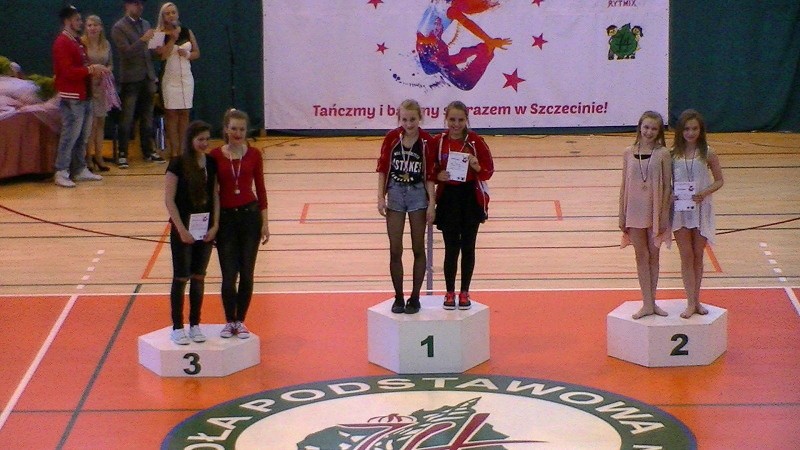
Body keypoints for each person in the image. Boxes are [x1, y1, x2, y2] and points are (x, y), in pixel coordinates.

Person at [208, 109, 269, 339]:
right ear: (225, 129)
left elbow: (260, 189)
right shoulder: (215, 156)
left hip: (250, 218)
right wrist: (214, 224)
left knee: (247, 273)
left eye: (242, 129)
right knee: (228, 274)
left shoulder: (254, 154)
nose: (238, 133)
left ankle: (241, 321)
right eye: (233, 128)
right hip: (226, 220)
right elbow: (213, 193)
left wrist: (265, 223)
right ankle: (229, 320)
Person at [431, 101, 494, 310]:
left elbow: (488, 171)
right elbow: (429, 170)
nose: (456, 124)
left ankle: (465, 291)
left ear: (467, 119)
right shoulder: (438, 142)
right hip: (448, 198)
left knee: (468, 246)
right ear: (445, 119)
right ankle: (449, 292)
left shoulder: (475, 141)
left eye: (460, 120)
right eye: (452, 120)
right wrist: (438, 175)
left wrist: (477, 166)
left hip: (469, 198)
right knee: (451, 248)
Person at [376, 99, 436, 314]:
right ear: (398, 119)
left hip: (418, 194)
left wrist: (432, 203)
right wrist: (380, 197)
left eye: (413, 119)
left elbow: (430, 175)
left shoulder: (427, 141)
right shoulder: (392, 138)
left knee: (418, 247)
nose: (409, 124)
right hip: (395, 194)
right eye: (404, 119)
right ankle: (399, 297)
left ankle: (415, 297)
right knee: (395, 249)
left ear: (420, 118)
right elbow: (383, 168)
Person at [164, 121, 218, 344]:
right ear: (190, 140)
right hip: (183, 229)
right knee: (181, 277)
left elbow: (215, 195)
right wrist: (181, 229)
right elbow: (169, 200)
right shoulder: (177, 164)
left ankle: (195, 324)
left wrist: (215, 225)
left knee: (198, 276)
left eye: (207, 139)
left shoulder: (211, 163)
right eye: (200, 139)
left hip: (205, 229)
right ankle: (177, 326)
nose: (204, 143)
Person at [619, 111, 672, 319]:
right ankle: (646, 303)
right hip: (633, 211)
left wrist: (664, 214)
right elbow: (624, 185)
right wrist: (621, 214)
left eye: (654, 129)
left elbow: (667, 187)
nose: (649, 132)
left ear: (659, 132)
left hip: (654, 210)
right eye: (646, 127)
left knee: (654, 256)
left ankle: (653, 301)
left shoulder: (663, 154)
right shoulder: (628, 152)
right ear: (640, 127)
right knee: (641, 256)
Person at [671, 109, 724, 318]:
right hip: (680, 210)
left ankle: (697, 301)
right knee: (686, 256)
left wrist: (705, 192)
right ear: (680, 131)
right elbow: (666, 182)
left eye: (694, 129)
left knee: (698, 256)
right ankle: (689, 302)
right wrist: (671, 194)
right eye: (686, 129)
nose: (690, 133)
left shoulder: (708, 152)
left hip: (701, 208)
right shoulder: (672, 154)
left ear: (701, 130)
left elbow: (719, 180)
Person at [52, 5, 109, 188]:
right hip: (72, 96)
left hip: (85, 94)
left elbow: (82, 65)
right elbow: (67, 71)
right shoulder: (62, 42)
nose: (80, 22)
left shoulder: (76, 41)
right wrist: (90, 69)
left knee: (83, 136)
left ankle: (79, 169)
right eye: (77, 19)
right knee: (70, 135)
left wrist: (93, 70)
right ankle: (61, 171)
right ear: (67, 21)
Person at [111, 0, 165, 168]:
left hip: (148, 76)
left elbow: (149, 53)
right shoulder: (119, 27)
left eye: (141, 4)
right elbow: (126, 53)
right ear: (127, 6)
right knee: (127, 118)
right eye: (136, 4)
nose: (140, 7)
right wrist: (143, 40)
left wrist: (157, 49)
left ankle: (148, 151)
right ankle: (123, 153)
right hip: (131, 78)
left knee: (148, 117)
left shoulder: (146, 24)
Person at [416, 0, 511, 90]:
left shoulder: (441, 6)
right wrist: (488, 40)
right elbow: (467, 23)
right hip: (432, 53)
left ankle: (477, 52)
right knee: (466, 83)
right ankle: (480, 51)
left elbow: (468, 14)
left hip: (432, 54)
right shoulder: (449, 9)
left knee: (464, 81)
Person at [155, 2, 200, 158]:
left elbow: (197, 53)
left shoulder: (187, 31)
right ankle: (174, 151)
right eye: (167, 13)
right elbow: (161, 56)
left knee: (185, 113)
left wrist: (188, 54)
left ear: (177, 14)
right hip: (169, 78)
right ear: (162, 16)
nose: (171, 15)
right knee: (171, 114)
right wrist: (172, 40)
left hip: (186, 78)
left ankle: (183, 150)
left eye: (173, 12)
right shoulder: (158, 33)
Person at [82, 15, 117, 172]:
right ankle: (88, 157)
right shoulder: (82, 43)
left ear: (101, 27)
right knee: (91, 124)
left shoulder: (106, 44)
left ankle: (99, 156)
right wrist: (93, 71)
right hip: (88, 86)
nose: (92, 28)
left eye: (95, 25)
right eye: (89, 25)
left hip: (102, 86)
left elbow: (110, 64)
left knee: (101, 122)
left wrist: (106, 71)